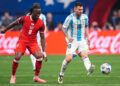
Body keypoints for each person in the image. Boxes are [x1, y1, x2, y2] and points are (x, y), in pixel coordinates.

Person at [1, 3, 47, 84]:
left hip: (33, 42)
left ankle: (36, 77)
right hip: (22, 40)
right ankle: (13, 76)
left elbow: (42, 37)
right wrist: (5, 30)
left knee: (39, 56)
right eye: (37, 13)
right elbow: (14, 23)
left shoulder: (41, 23)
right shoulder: (24, 18)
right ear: (32, 12)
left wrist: (44, 51)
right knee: (17, 56)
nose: (38, 15)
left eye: (39, 13)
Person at [58, 2, 95, 84]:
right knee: (68, 59)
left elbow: (86, 26)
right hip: (72, 40)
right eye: (79, 9)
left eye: (82, 9)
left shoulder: (85, 17)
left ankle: (89, 69)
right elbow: (63, 28)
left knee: (84, 55)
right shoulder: (70, 18)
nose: (81, 11)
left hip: (81, 39)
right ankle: (61, 74)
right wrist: (68, 37)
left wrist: (88, 36)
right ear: (75, 9)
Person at [28, 3, 47, 71]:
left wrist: (44, 33)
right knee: (32, 50)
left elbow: (44, 26)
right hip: (32, 34)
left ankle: (38, 63)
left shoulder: (43, 16)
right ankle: (34, 66)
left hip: (40, 34)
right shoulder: (29, 15)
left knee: (40, 49)